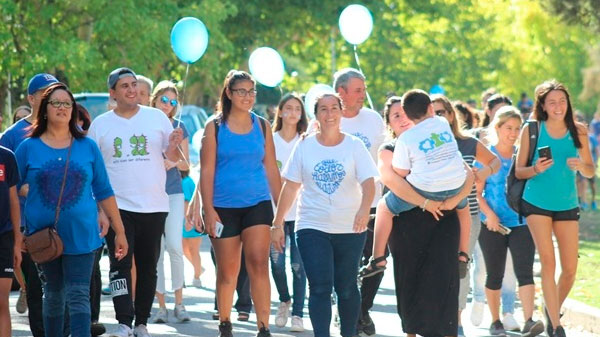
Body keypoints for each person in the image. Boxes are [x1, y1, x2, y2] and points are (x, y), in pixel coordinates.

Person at [15, 82, 129, 337]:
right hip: (44, 237)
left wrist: (119, 231)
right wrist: (17, 231)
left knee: (78, 295)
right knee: (53, 294)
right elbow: (12, 187)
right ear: (44, 109)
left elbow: (104, 190)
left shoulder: (87, 147)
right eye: (56, 103)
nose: (62, 108)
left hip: (82, 234)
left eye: (67, 103)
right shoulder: (28, 148)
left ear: (73, 110)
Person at [88, 67, 184, 337]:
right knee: (119, 264)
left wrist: (174, 144)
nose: (131, 90)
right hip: (117, 208)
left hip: (154, 205)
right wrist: (101, 210)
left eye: (134, 85)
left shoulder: (156, 118)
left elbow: (171, 156)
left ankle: (141, 322)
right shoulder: (101, 125)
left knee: (147, 266)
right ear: (113, 93)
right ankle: (123, 322)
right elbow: (94, 172)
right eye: (125, 86)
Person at [272, 93, 377, 337]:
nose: (329, 114)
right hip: (311, 225)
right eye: (323, 110)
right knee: (319, 287)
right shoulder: (305, 145)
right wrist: (277, 223)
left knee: (347, 287)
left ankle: (348, 333)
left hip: (350, 227)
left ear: (341, 112)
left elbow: (369, 183)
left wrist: (364, 210)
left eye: (333, 108)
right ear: (316, 115)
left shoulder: (354, 145)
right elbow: (291, 187)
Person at [190, 70, 281, 337]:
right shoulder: (214, 127)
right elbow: (206, 172)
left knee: (258, 263)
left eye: (252, 91)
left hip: (257, 203)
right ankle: (225, 323)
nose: (248, 96)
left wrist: (282, 214)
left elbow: (272, 170)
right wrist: (208, 210)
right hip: (223, 207)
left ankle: (263, 327)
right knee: (228, 272)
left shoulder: (263, 125)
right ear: (228, 93)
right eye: (241, 91)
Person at [515, 80, 595, 337]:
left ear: (568, 103)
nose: (558, 106)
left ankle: (550, 312)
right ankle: (557, 327)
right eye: (552, 102)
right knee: (548, 263)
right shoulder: (532, 129)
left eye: (562, 101)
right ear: (543, 106)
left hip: (567, 204)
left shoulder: (579, 131)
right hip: (536, 202)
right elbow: (519, 171)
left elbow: (592, 170)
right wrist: (536, 168)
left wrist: (581, 166)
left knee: (570, 269)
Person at [367, 90, 472, 283]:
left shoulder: (406, 140)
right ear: (431, 108)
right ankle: (464, 254)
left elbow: (400, 172)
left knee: (384, 207)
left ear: (408, 114)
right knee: (464, 208)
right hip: (455, 186)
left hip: (425, 190)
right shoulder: (441, 124)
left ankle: (378, 258)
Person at [433, 95, 501, 337]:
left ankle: (456, 320)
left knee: (460, 265)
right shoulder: (425, 144)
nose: (438, 117)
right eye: (433, 112)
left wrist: (482, 173)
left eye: (442, 112)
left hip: (468, 214)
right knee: (435, 267)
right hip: (434, 214)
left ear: (451, 115)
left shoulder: (468, 143)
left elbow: (495, 162)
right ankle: (434, 317)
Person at [475, 106, 545, 337]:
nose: (513, 133)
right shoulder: (486, 157)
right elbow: (476, 193)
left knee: (524, 272)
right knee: (494, 273)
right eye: (508, 128)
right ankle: (495, 321)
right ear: (497, 128)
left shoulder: (522, 156)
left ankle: (528, 320)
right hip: (493, 223)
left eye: (517, 129)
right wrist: (489, 216)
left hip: (522, 222)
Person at [0, 72, 58, 337]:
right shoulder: (11, 137)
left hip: (63, 220)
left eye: (55, 92)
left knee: (65, 287)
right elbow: (7, 187)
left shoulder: (65, 128)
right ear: (31, 98)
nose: (52, 98)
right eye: (46, 92)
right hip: (28, 226)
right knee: (36, 288)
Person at [333, 67, 386, 336]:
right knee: (346, 264)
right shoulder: (328, 117)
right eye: (358, 90)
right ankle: (348, 313)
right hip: (340, 206)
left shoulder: (374, 119)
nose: (363, 94)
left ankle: (362, 310)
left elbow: (385, 157)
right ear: (340, 92)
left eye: (364, 89)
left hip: (374, 203)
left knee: (377, 260)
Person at [149, 80, 192, 324]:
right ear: (154, 99)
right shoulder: (146, 123)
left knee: (175, 245)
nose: (168, 105)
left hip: (174, 193)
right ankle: (161, 306)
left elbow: (187, 165)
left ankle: (179, 303)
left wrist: (174, 162)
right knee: (157, 251)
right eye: (164, 100)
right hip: (150, 195)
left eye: (173, 101)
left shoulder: (180, 126)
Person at [269, 93, 308, 332]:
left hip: (302, 213)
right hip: (275, 215)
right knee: (276, 264)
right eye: (289, 108)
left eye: (297, 109)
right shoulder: (270, 140)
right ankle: (284, 300)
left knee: (298, 266)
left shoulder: (305, 141)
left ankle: (298, 314)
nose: (293, 113)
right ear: (280, 111)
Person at [0, 145, 22, 337]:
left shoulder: (6, 156)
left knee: (1, 301)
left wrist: (17, 241)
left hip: (3, 238)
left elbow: (13, 200)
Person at [181, 169, 205, 287]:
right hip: (185, 220)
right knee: (185, 249)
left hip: (190, 219)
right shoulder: (186, 181)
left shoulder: (185, 182)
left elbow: (187, 201)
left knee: (193, 250)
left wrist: (188, 220)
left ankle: (197, 277)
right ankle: (198, 269)